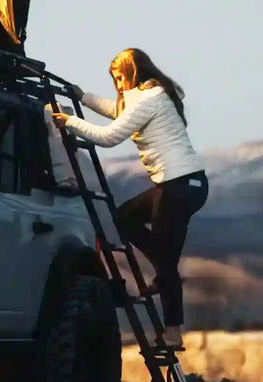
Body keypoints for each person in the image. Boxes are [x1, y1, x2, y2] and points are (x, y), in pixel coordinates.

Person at [51, 48, 209, 341]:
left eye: (121, 77)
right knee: (125, 219)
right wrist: (83, 96)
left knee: (165, 258)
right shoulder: (145, 98)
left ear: (134, 72)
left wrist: (69, 122)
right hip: (182, 185)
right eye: (114, 79)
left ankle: (173, 331)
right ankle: (164, 274)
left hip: (179, 185)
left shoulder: (150, 98)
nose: (119, 84)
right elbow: (117, 110)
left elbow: (109, 136)